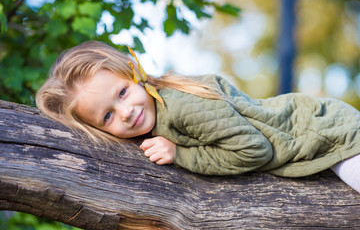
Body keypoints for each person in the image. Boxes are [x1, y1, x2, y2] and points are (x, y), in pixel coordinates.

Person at [36, 41, 360, 193]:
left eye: (122, 92)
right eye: (107, 116)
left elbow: (253, 149)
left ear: (133, 73)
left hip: (325, 131)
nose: (126, 112)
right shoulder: (153, 116)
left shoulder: (179, 105)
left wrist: (180, 154)